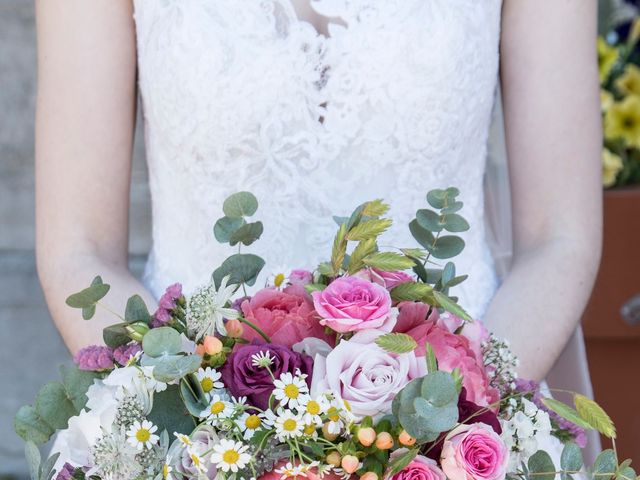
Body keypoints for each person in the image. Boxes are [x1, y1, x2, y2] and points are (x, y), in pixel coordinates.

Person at [35, 0, 602, 457]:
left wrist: (445, 426)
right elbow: (79, 249)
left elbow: (559, 237)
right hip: (190, 439)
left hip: (455, 425)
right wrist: (213, 436)